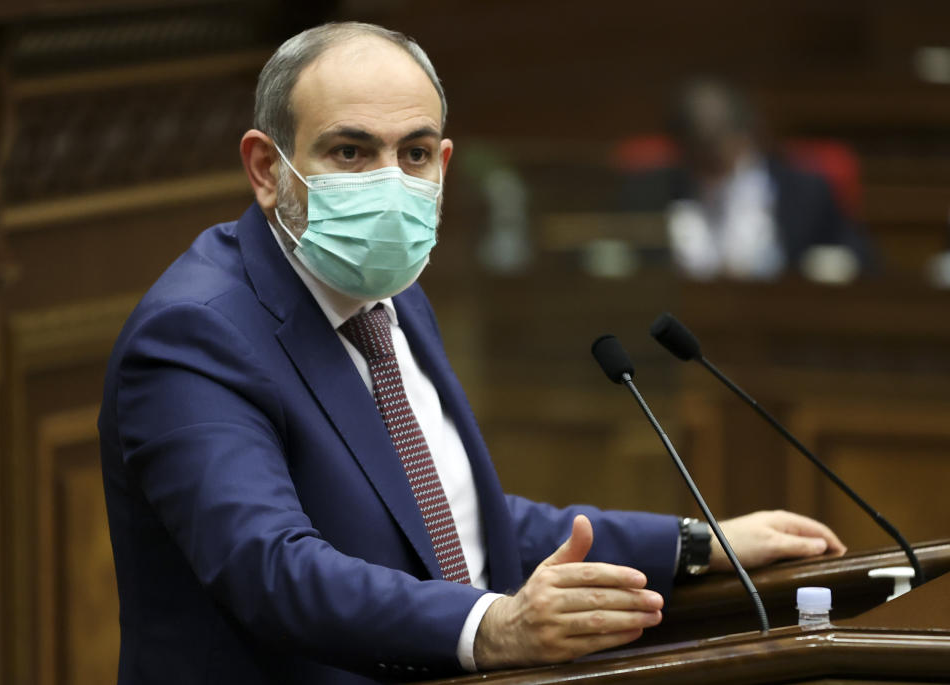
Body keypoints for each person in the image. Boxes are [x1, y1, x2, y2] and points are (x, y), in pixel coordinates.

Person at [98, 23, 846, 684]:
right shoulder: (195, 334)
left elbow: (451, 522)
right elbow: (272, 570)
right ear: (267, 169)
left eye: (414, 153)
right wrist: (495, 627)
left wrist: (691, 545)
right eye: (351, 151)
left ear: (444, 163)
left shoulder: (389, 292)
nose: (390, 184)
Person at [621, 78, 874, 280]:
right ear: (681, 147)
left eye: (717, 149)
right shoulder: (649, 195)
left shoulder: (804, 191)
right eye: (698, 151)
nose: (711, 163)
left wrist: (834, 265)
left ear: (747, 136)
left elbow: (863, 258)